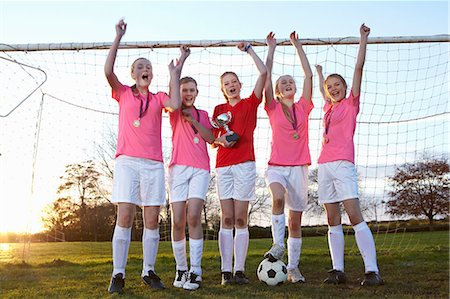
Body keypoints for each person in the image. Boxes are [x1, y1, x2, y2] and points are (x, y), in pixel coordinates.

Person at [105, 19, 189, 294]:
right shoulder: (123, 93)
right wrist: (118, 37)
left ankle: (148, 271)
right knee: (125, 217)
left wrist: (176, 72)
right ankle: (118, 274)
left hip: (153, 164)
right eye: (140, 67)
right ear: (132, 74)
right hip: (127, 161)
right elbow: (108, 70)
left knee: (152, 220)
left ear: (152, 76)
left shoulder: (158, 97)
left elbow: (176, 104)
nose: (145, 70)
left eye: (148, 68)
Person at [316, 24, 384, 287]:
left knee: (354, 215)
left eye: (337, 85)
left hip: (343, 164)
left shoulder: (351, 103)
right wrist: (319, 73)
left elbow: (358, 69)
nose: (333, 89)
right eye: (329, 86)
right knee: (331, 218)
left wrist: (363, 39)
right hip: (324, 166)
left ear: (346, 88)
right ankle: (337, 270)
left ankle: (372, 271)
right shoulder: (327, 107)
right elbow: (322, 89)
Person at [212, 42, 267, 285]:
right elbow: (214, 140)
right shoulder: (218, 110)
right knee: (226, 218)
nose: (231, 85)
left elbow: (264, 73)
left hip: (245, 164)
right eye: (226, 83)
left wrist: (249, 50)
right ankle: (225, 272)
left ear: (240, 85)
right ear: (223, 89)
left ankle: (239, 271)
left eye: (234, 81)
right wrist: (220, 140)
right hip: (224, 166)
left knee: (241, 219)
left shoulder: (249, 103)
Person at [263, 31, 313, 283]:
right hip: (276, 167)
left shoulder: (304, 106)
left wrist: (297, 45)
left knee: (295, 222)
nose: (288, 84)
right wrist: (271, 49)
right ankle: (276, 245)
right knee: (277, 197)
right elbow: (267, 76)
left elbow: (308, 75)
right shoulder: (272, 107)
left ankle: (293, 268)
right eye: (283, 83)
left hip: (299, 168)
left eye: (290, 81)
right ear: (277, 91)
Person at [168, 76, 215, 291]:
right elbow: (173, 97)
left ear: (197, 92)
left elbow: (210, 138)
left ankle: (196, 270)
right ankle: (181, 268)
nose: (188, 94)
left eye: (191, 90)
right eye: (184, 90)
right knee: (178, 221)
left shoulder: (204, 115)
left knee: (194, 216)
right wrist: (176, 69)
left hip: (200, 169)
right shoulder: (174, 111)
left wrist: (194, 121)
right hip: (178, 169)